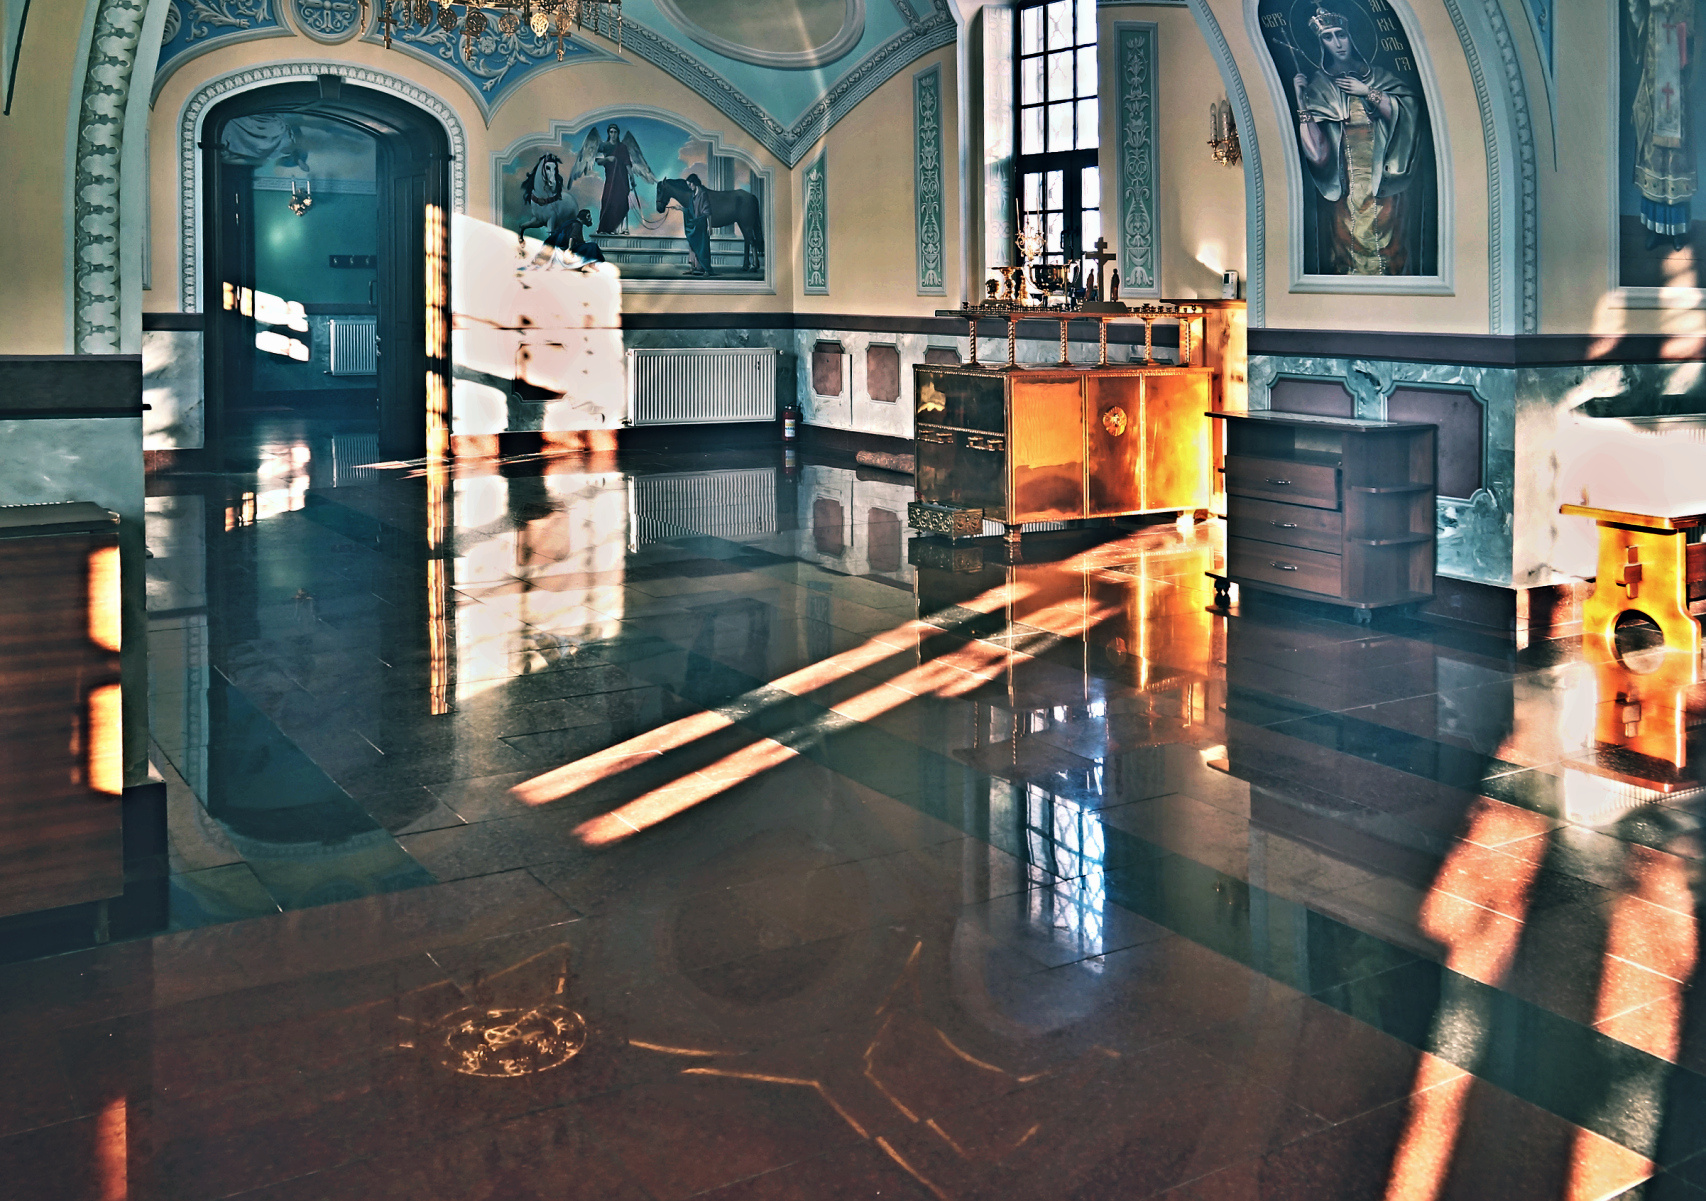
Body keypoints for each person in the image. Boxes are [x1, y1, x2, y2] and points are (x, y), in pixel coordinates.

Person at [1291, 5, 1423, 274]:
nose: (1337, 44)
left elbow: (1408, 114)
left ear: (1352, 36)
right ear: (1321, 44)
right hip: (1347, 192)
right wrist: (1301, 102)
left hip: (1384, 185)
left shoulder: (1380, 78)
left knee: (1389, 258)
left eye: (1341, 34)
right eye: (1328, 37)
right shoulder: (1320, 88)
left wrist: (1368, 92)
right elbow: (1317, 154)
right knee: (1347, 259)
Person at [1629, 0, 1700, 251]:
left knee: (1676, 155)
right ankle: (1655, 229)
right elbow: (1636, 9)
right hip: (1655, 48)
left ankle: (1678, 229)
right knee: (1654, 153)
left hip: (1678, 42)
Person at [683, 174, 715, 277]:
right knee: (692, 245)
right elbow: (690, 210)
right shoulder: (693, 195)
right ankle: (693, 268)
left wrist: (709, 227)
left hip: (701, 225)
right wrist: (682, 209)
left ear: (694, 183)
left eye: (690, 184)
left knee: (703, 247)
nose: (689, 187)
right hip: (695, 225)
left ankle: (706, 269)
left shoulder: (703, 194)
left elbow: (708, 212)